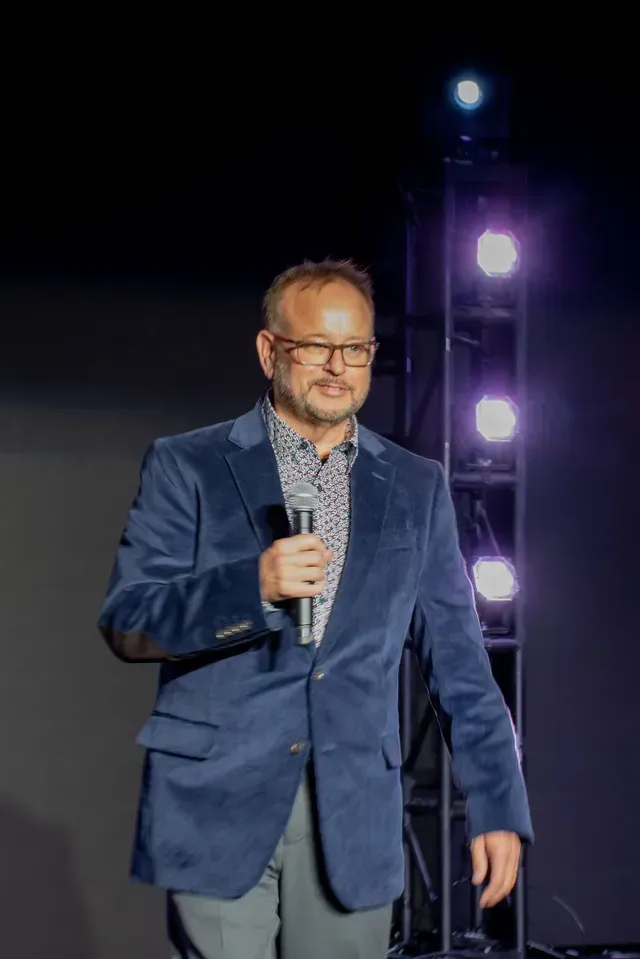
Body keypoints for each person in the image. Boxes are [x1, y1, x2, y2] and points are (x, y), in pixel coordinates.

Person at [99, 259, 533, 959]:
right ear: (271, 351)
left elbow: (460, 664)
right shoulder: (190, 466)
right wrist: (254, 587)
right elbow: (128, 619)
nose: (338, 366)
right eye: (316, 347)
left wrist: (497, 806)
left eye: (355, 348)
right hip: (217, 804)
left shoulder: (416, 487)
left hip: (352, 812)